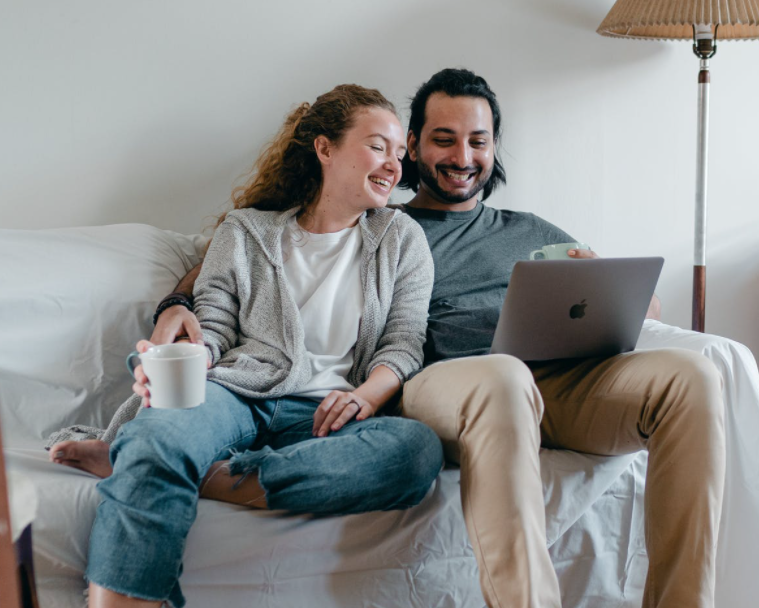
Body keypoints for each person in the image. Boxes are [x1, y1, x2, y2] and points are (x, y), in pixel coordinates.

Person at [101, 69, 725, 608]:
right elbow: (231, 264)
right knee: (501, 378)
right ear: (417, 147)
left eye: (478, 140)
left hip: (555, 379)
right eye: (441, 139)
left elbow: (637, 307)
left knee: (695, 375)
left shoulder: (523, 227)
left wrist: (604, 282)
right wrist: (176, 310)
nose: (462, 156)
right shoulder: (390, 224)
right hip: (461, 383)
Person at [49, 85, 444, 608]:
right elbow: (213, 327)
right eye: (377, 147)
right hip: (238, 392)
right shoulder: (246, 231)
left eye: (398, 153)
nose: (394, 165)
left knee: (415, 451)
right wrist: (191, 358)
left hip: (327, 412)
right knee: (159, 430)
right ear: (325, 149)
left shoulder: (402, 239)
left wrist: (366, 397)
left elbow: (404, 343)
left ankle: (188, 472)